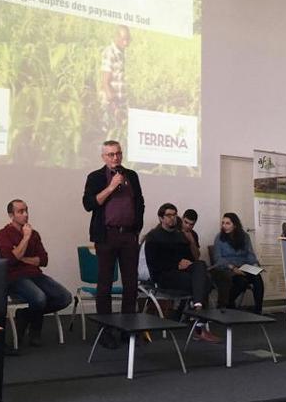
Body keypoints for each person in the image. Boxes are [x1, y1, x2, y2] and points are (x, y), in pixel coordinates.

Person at [82, 140, 144, 349]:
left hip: (128, 236)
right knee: (105, 285)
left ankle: (127, 329)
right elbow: (89, 204)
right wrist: (110, 187)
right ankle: (105, 330)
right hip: (106, 236)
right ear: (103, 157)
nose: (115, 158)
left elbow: (139, 203)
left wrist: (136, 229)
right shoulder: (96, 177)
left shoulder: (132, 176)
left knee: (131, 284)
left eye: (118, 154)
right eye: (110, 155)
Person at [0, 199, 71, 347]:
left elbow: (43, 259)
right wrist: (25, 237)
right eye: (21, 212)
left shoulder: (35, 234)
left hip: (35, 275)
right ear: (11, 215)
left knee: (65, 297)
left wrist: (21, 257)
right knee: (39, 298)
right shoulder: (3, 234)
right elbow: (9, 261)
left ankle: (25, 315)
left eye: (26, 210)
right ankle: (35, 330)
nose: (26, 215)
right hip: (14, 277)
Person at [144, 203, 218, 342]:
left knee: (200, 265)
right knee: (205, 282)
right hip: (164, 275)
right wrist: (176, 265)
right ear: (161, 218)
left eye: (175, 214)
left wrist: (188, 259)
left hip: (183, 273)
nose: (172, 218)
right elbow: (153, 265)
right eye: (169, 215)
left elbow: (190, 259)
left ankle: (197, 307)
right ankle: (199, 323)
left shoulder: (180, 236)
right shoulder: (153, 237)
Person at [211, 212, 264, 313]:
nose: (224, 226)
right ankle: (228, 303)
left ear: (235, 225)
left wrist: (254, 264)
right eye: (223, 223)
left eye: (227, 223)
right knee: (241, 281)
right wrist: (232, 268)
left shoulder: (244, 237)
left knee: (257, 278)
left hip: (244, 266)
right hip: (226, 268)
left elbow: (249, 253)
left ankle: (258, 311)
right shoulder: (219, 238)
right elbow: (217, 258)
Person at [100, 25, 131, 135]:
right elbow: (105, 83)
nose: (126, 43)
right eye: (124, 39)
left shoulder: (121, 53)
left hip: (120, 104)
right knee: (108, 136)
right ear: (117, 37)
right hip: (111, 105)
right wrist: (115, 108)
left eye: (128, 39)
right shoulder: (110, 53)